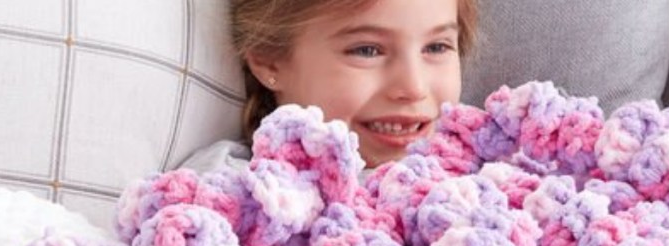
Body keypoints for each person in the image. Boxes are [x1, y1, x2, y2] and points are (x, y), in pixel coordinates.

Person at [181, 0, 478, 173]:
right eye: (367, 51)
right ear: (270, 60)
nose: (414, 88)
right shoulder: (228, 191)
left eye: (437, 47)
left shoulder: (492, 176)